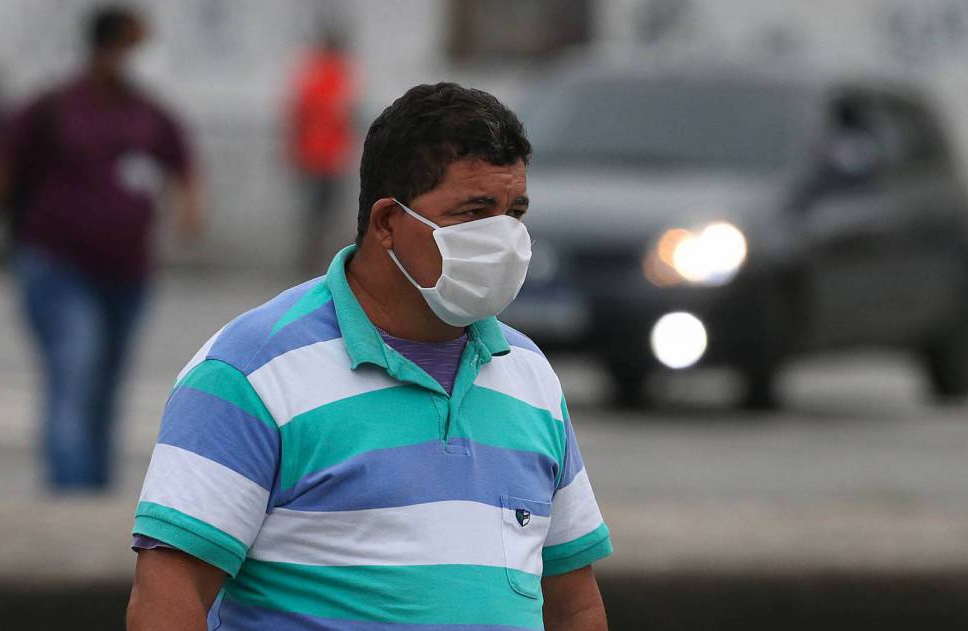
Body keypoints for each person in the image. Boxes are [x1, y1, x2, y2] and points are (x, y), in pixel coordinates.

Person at [127, 83, 612, 630]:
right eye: (474, 213)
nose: (502, 238)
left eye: (513, 212)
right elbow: (167, 597)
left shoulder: (528, 375)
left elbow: (574, 602)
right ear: (386, 223)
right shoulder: (252, 372)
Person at [0, 6, 202, 492]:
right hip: (58, 264)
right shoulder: (54, 107)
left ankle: (94, 498)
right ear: (107, 49)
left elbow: (184, 163)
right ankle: (70, 494)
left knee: (106, 387)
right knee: (74, 370)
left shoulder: (150, 114)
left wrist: (189, 209)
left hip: (127, 273)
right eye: (134, 45)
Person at [284, 27, 356, 275]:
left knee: (319, 214)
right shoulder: (331, 74)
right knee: (321, 214)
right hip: (324, 158)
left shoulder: (316, 73)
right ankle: (317, 262)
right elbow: (340, 114)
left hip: (319, 156)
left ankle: (314, 261)